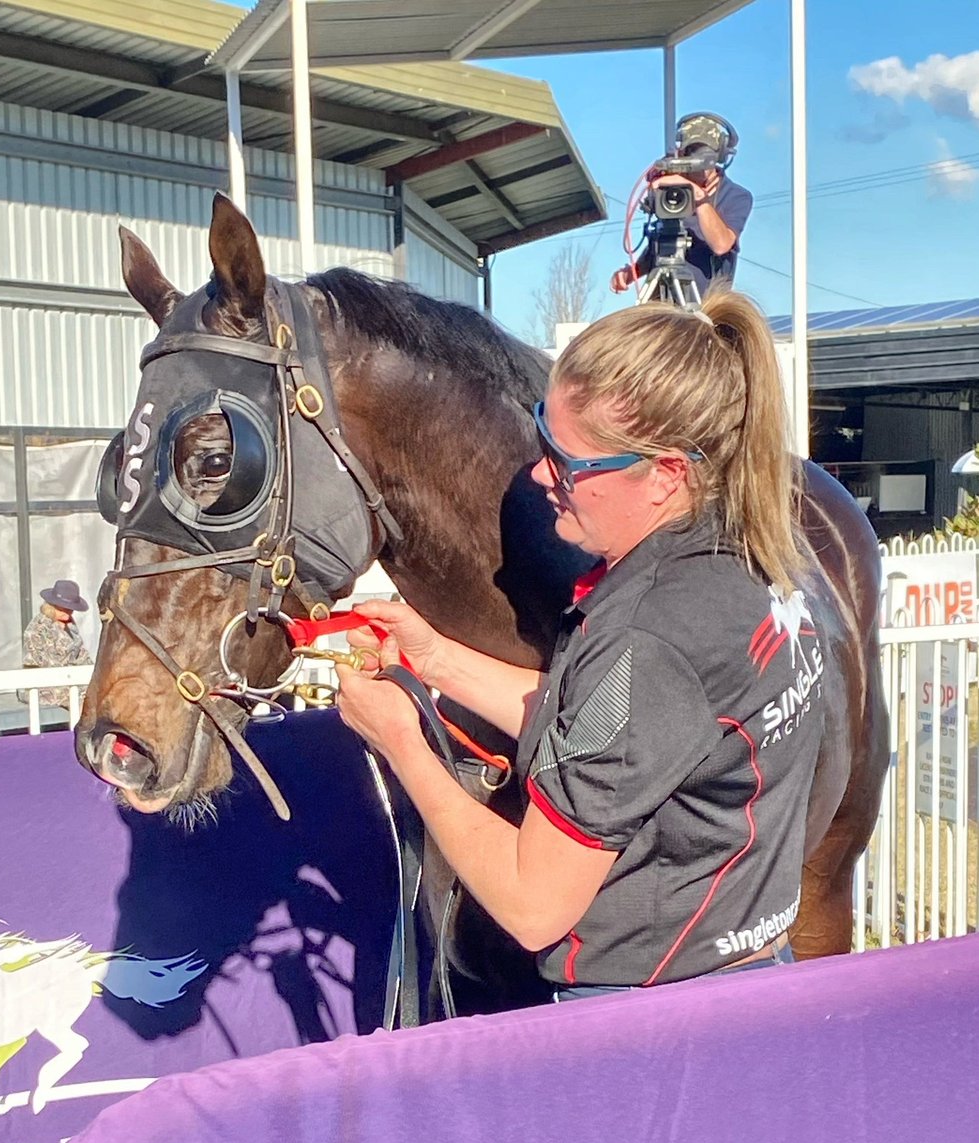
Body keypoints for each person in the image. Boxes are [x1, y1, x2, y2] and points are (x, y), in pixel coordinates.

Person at [335, 290, 826, 1001]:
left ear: (665, 473)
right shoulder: (744, 558)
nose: (541, 477)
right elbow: (618, 735)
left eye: (567, 462)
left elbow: (532, 906)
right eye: (542, 437)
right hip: (742, 980)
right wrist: (431, 655)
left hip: (648, 1018)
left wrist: (401, 743)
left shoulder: (647, 636)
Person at [611, 112, 753, 299]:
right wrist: (631, 273)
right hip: (664, 301)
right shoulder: (669, 191)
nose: (698, 160)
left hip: (709, 307)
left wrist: (699, 198)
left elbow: (721, 244)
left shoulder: (737, 196)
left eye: (705, 152)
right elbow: (663, 242)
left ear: (720, 155)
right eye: (691, 151)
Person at [20, 578, 92, 709]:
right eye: (64, 608)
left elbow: (81, 656)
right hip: (45, 685)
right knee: (83, 702)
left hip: (70, 681)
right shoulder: (38, 630)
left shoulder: (70, 626)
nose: (69, 612)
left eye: (71, 609)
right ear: (52, 605)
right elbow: (50, 666)